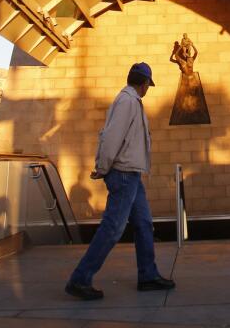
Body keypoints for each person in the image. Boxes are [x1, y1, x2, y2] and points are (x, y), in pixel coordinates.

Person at [66, 61, 176, 301]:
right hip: (124, 174)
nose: (148, 89)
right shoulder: (127, 101)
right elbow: (111, 137)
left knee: (144, 224)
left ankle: (148, 276)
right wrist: (103, 167)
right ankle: (80, 279)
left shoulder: (131, 101)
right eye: (149, 84)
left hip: (132, 174)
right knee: (113, 227)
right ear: (144, 82)